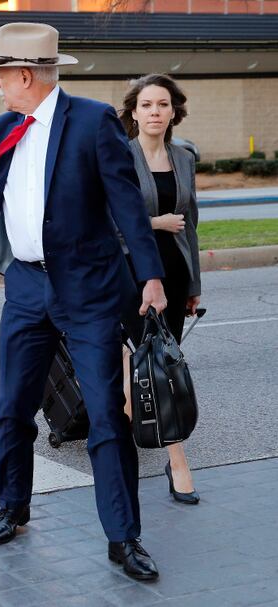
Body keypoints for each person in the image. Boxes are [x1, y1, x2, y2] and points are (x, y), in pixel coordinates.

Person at [0, 23, 166, 580]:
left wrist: (150, 276)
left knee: (105, 416)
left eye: (1, 77)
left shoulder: (92, 120)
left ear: (24, 75)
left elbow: (127, 204)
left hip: (90, 289)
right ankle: (13, 504)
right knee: (11, 407)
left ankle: (124, 538)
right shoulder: (1, 125)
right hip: (26, 287)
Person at [119, 73, 201, 505]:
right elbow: (106, 222)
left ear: (173, 112)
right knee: (155, 367)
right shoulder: (120, 156)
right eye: (147, 104)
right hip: (131, 273)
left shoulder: (184, 158)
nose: (155, 112)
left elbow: (192, 226)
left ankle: (137, 424)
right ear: (134, 112)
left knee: (153, 362)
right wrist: (154, 223)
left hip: (173, 273)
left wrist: (195, 284)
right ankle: (177, 459)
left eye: (163, 104)